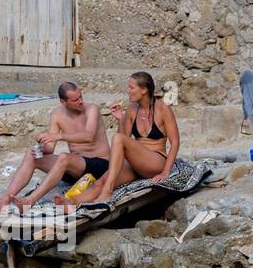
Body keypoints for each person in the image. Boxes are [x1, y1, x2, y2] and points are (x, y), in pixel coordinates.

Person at [0, 82, 111, 210]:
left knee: (64, 157)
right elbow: (50, 148)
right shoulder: (57, 114)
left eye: (81, 97)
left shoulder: (92, 109)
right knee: (32, 155)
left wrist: (58, 136)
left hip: (100, 166)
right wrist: (42, 144)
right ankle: (5, 199)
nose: (80, 101)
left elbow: (88, 136)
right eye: (75, 100)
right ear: (63, 102)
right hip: (75, 169)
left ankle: (30, 200)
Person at [58, 71, 180, 207]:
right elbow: (123, 139)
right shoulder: (132, 110)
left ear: (144, 90)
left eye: (131, 87)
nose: (128, 91)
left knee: (117, 142)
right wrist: (121, 120)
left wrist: (166, 171)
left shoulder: (163, 109)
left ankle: (107, 191)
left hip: (155, 161)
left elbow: (175, 142)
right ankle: (71, 201)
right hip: (135, 163)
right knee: (101, 181)